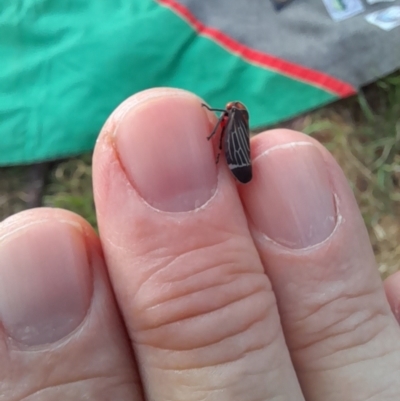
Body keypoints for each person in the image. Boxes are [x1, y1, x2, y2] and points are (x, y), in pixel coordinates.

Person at [0, 88, 399, 400]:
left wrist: (215, 137)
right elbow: (220, 132)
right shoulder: (233, 117)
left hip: (237, 162)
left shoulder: (230, 118)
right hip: (236, 162)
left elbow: (218, 132)